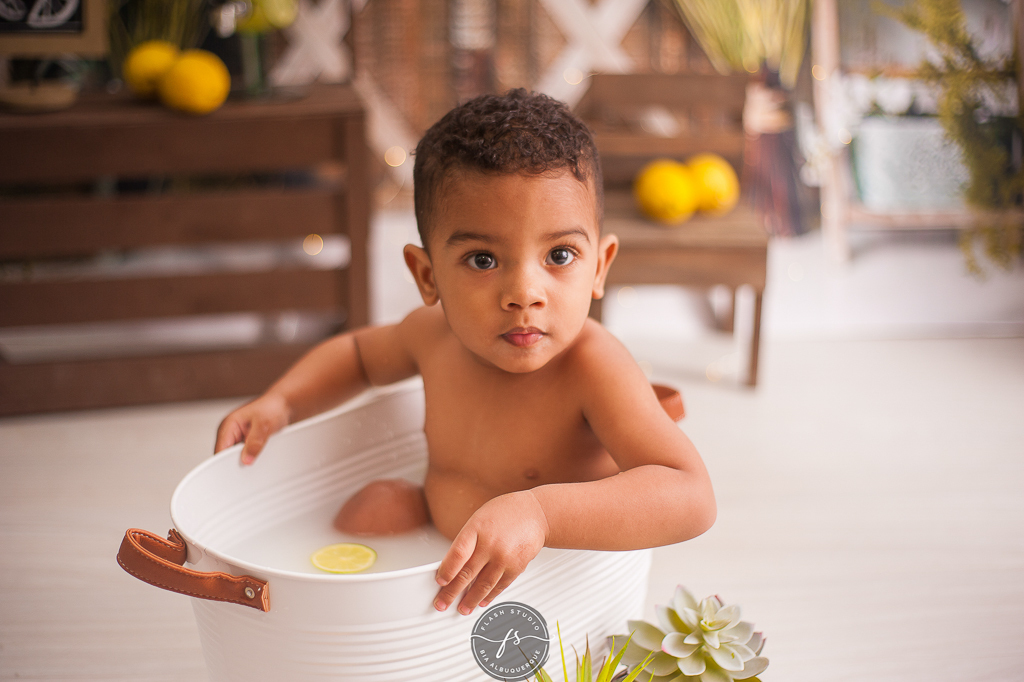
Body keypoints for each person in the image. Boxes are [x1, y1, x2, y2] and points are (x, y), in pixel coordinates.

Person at [215, 89, 716, 617]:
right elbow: (359, 355)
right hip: (445, 555)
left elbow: (690, 495)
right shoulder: (433, 336)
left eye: (559, 254)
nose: (524, 293)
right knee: (372, 510)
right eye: (483, 260)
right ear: (427, 275)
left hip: (549, 583)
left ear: (599, 266)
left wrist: (540, 514)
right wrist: (283, 402)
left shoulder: (593, 365)